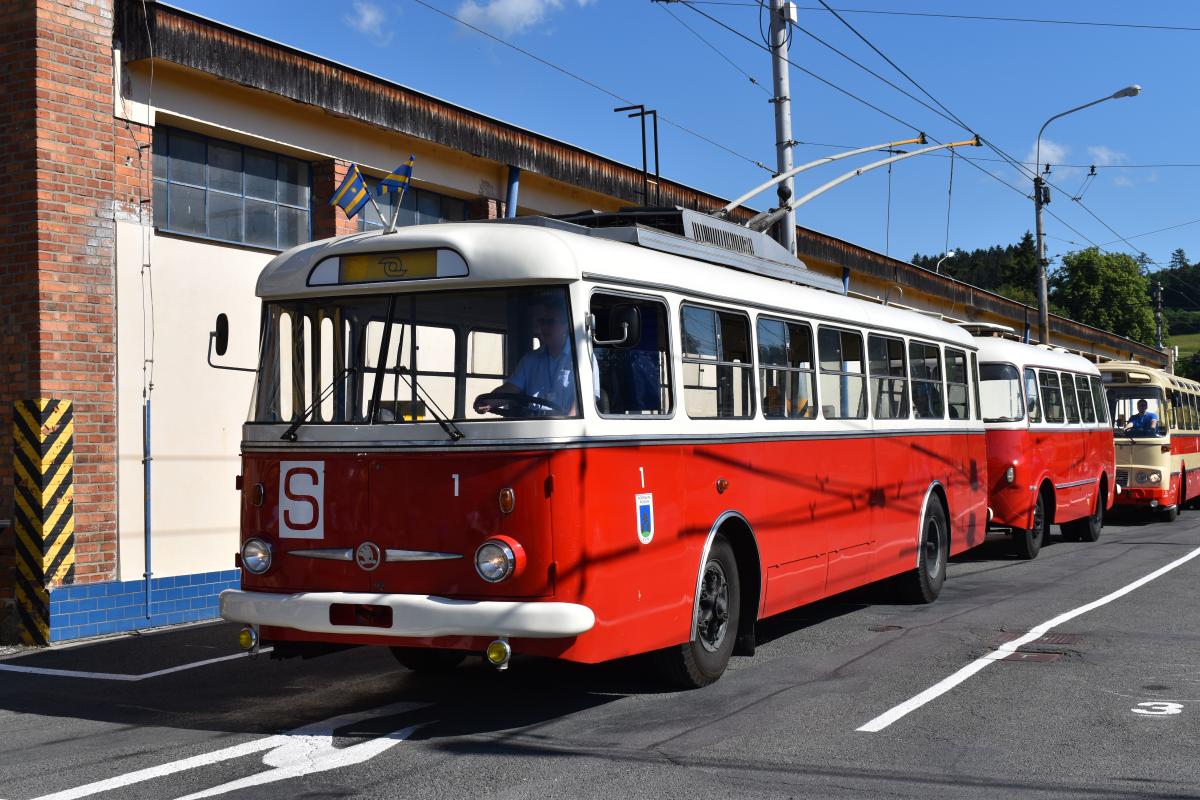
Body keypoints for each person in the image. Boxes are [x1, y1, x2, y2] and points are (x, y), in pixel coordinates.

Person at [474, 298, 578, 416]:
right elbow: (512, 388)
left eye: (551, 322)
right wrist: (488, 402)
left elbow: (581, 402)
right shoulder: (530, 359)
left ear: (565, 326)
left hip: (565, 426)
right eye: (542, 321)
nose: (544, 327)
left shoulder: (579, 357)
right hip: (532, 425)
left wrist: (568, 427)